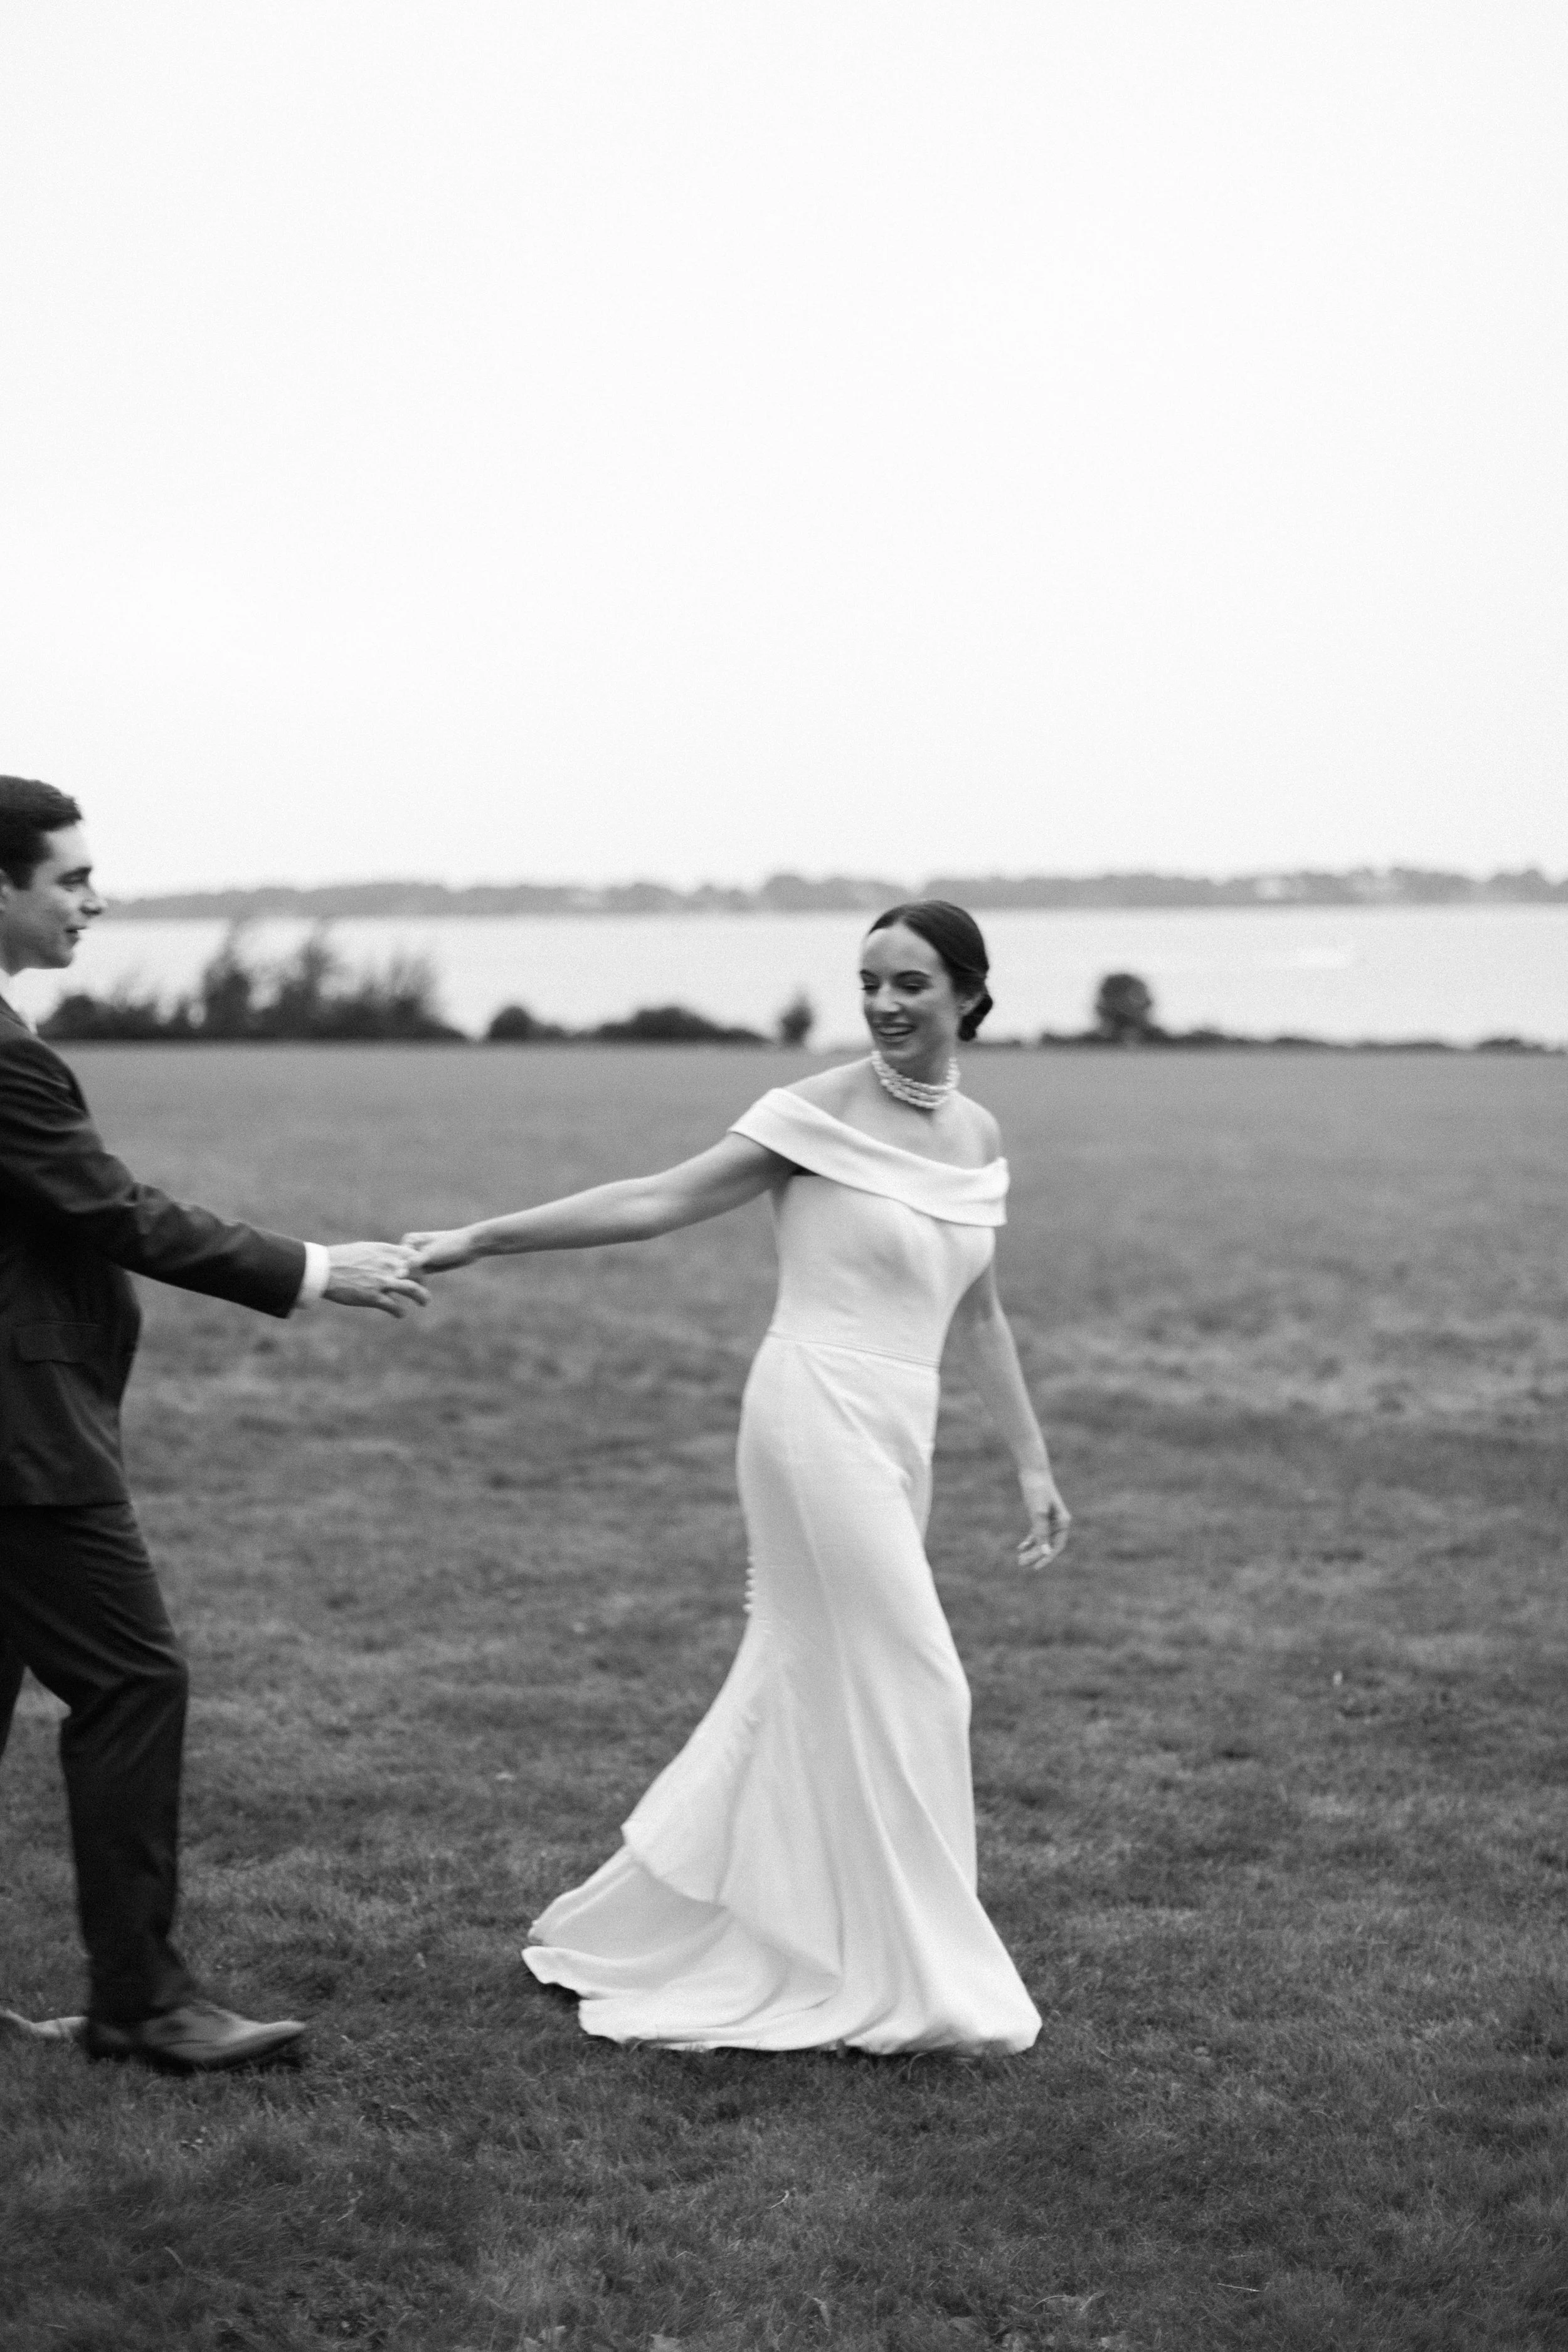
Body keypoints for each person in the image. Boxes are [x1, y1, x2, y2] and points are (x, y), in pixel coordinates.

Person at [406, 900, 1071, 2053]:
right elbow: (656, 1199)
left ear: (969, 992)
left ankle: (734, 1927)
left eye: (910, 982)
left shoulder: (978, 1133)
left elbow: (984, 1312)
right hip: (811, 1409)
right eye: (869, 980)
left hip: (900, 1426)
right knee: (925, 1682)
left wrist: (1031, 1462)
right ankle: (922, 1969)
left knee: (812, 1674)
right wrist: (478, 1238)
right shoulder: (812, 1111)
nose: (882, 1002)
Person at [0, 776, 429, 2071]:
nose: (95, 898)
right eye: (71, 877)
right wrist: (308, 1269)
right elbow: (112, 1210)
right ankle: (143, 2004)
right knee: (134, 1680)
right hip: (20, 1438)